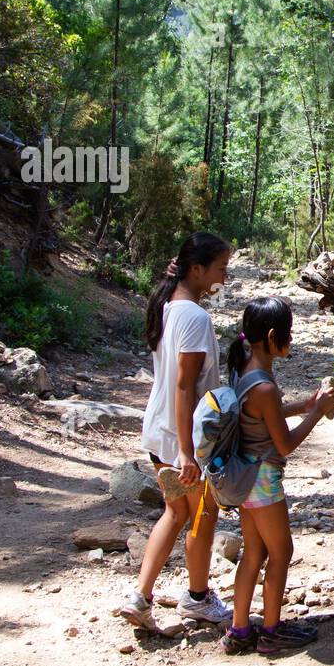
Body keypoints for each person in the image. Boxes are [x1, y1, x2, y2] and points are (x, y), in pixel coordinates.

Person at [118, 232, 233, 632]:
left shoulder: (168, 307)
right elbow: (187, 385)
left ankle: (140, 596)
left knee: (176, 511)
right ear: (197, 269)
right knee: (203, 514)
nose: (225, 275)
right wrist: (188, 452)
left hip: (160, 427)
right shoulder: (196, 318)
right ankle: (198, 598)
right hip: (188, 436)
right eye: (221, 268)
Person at [219, 296, 334, 654]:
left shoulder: (246, 370)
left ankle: (240, 631)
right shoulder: (265, 386)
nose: (291, 339)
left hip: (243, 474)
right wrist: (316, 412)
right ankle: (271, 631)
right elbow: (284, 444)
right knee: (281, 551)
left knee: (253, 553)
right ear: (272, 336)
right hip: (263, 478)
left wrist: (302, 405)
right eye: (288, 333)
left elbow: (259, 415)